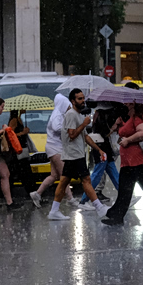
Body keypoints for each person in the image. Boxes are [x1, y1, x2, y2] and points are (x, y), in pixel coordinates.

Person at [47, 89, 109, 221]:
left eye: (83, 98)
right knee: (86, 180)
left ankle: (54, 210)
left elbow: (85, 137)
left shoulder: (79, 115)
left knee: (64, 182)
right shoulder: (71, 115)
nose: (83, 101)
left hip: (75, 154)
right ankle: (99, 207)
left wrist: (99, 149)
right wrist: (84, 124)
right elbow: (72, 134)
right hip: (74, 154)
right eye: (79, 99)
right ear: (72, 101)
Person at [28, 93, 72, 208]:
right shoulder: (57, 115)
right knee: (64, 175)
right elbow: (57, 127)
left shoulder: (59, 114)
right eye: (68, 105)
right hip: (55, 148)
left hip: (53, 147)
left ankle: (37, 193)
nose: (69, 107)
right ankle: (70, 199)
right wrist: (68, 128)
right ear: (63, 105)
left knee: (54, 176)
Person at [82, 103, 120, 205]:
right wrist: (113, 128)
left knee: (114, 174)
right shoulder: (103, 116)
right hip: (102, 149)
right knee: (97, 174)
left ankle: (125, 195)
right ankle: (84, 200)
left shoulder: (98, 115)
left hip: (104, 148)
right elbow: (105, 133)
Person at [8, 109, 34, 197]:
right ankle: (31, 190)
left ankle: (30, 190)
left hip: (21, 149)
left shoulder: (18, 118)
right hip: (17, 150)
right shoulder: (14, 120)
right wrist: (23, 132)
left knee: (18, 172)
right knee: (24, 171)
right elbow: (11, 135)